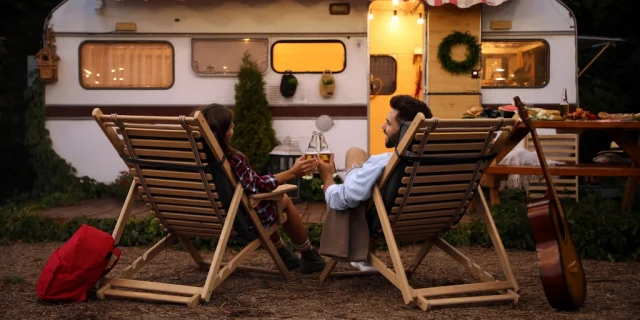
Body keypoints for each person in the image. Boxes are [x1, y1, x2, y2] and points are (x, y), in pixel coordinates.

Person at [191, 103, 326, 274]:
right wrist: (292, 173)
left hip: (194, 218)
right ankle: (309, 255)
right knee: (281, 199)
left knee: (268, 203)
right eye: (230, 126)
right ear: (220, 132)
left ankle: (283, 253)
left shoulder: (191, 158)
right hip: (237, 222)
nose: (234, 126)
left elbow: (250, 184)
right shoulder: (232, 160)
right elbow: (256, 186)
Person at [316, 95, 433, 271]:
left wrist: (327, 177)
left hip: (382, 220)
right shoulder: (435, 162)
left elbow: (341, 200)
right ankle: (356, 177)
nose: (382, 126)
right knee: (356, 153)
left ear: (403, 130)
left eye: (388, 123)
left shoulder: (384, 162)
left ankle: (360, 254)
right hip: (429, 219)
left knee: (350, 179)